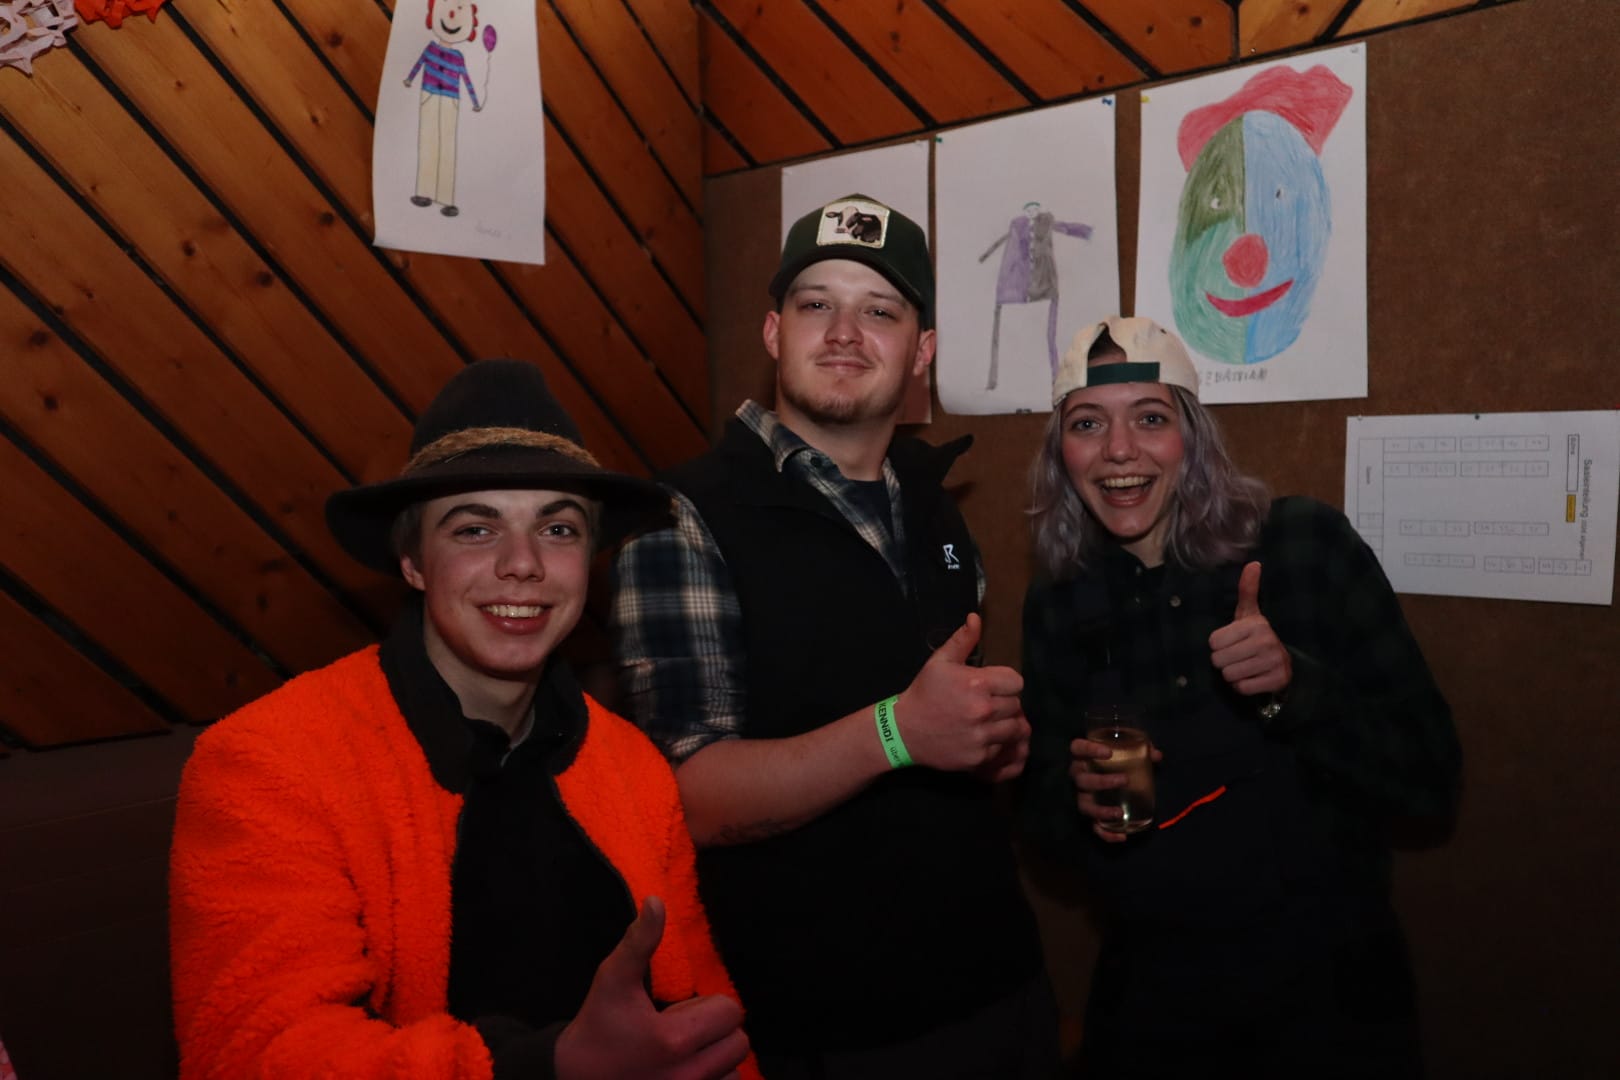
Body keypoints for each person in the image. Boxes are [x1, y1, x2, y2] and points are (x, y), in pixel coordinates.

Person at [169, 360, 760, 1080]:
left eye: (559, 528)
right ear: (414, 563)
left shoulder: (633, 768)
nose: (523, 563)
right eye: (476, 529)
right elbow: (253, 1051)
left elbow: (706, 1016)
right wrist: (550, 1067)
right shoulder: (269, 762)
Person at [610, 194, 1057, 1078]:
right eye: (817, 303)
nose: (846, 332)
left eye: (880, 311)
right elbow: (688, 798)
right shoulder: (679, 516)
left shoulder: (934, 504)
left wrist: (990, 744)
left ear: (921, 352)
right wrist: (900, 731)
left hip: (998, 988)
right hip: (821, 1027)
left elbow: (944, 718)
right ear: (774, 331)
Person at [1019, 316, 1462, 1078]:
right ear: (1062, 454)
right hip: (1157, 999)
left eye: (1150, 418)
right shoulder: (1060, 603)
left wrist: (1297, 687)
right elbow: (1043, 832)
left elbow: (1431, 781)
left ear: (1193, 439)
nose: (1119, 450)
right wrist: (1076, 800)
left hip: (1329, 998)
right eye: (1087, 423)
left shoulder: (1303, 550)